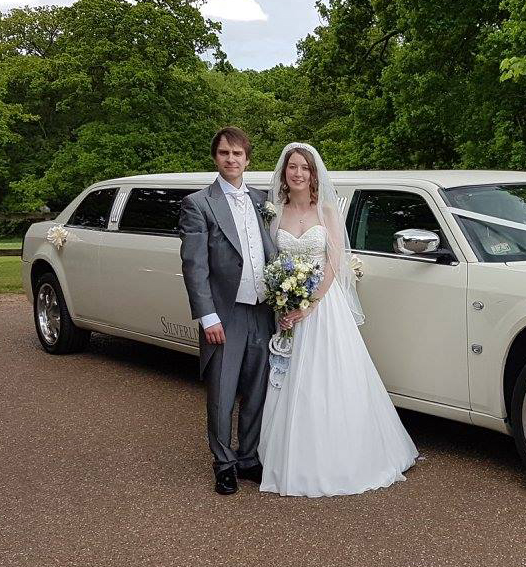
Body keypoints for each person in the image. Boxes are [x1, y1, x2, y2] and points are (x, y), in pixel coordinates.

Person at [258, 142, 418, 496]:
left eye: (305, 168)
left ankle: (343, 458)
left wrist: (310, 303)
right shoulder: (274, 213)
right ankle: (285, 457)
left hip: (323, 308)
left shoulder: (327, 210)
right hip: (288, 308)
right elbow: (270, 261)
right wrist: (284, 302)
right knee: (288, 377)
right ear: (284, 173)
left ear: (314, 174)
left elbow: (334, 261)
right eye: (292, 167)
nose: (298, 173)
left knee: (329, 376)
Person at [178, 126, 278, 495]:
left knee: (257, 390)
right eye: (224, 153)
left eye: (237, 154)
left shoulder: (262, 200)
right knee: (222, 392)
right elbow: (195, 265)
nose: (231, 160)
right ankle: (223, 463)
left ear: (247, 159)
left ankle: (248, 457)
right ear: (215, 157)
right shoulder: (198, 203)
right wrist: (208, 316)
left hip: (262, 311)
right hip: (224, 315)